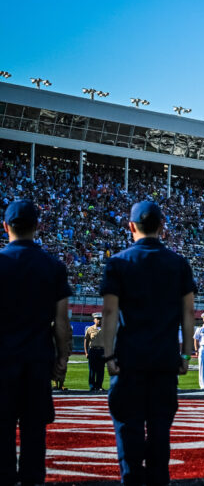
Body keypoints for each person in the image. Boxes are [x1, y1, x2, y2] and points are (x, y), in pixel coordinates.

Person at [99, 200, 196, 485]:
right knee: (159, 431)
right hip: (164, 360)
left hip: (129, 359)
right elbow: (188, 312)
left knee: (128, 429)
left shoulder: (118, 263)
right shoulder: (178, 264)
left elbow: (109, 312)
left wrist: (108, 355)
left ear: (131, 226)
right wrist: (186, 355)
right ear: (162, 227)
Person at [0, 199, 72, 485]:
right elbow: (62, 321)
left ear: (5, 226)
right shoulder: (53, 266)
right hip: (37, 361)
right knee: (34, 435)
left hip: (2, 362)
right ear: (37, 226)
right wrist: (62, 358)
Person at [84, 312, 106, 391]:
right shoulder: (90, 329)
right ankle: (92, 386)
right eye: (98, 319)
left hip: (102, 351)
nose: (99, 320)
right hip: (93, 351)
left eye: (101, 319)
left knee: (101, 370)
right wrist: (86, 352)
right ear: (94, 320)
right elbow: (86, 341)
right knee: (92, 370)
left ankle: (99, 386)